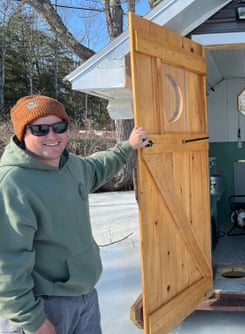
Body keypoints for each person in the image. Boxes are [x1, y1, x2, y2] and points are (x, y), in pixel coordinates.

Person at [0, 95, 149, 334]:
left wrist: (127, 146)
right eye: (39, 129)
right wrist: (32, 321)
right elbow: (6, 264)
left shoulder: (72, 166)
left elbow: (100, 165)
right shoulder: (13, 184)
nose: (51, 135)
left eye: (59, 126)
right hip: (43, 306)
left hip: (85, 296)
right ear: (22, 134)